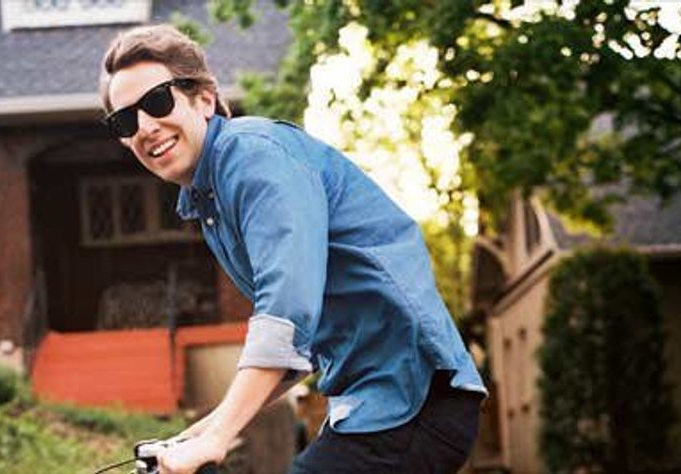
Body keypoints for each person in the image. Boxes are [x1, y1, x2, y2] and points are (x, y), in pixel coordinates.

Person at [99, 24, 487, 474]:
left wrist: (219, 437)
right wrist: (203, 432)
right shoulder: (210, 200)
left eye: (157, 101)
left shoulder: (253, 157)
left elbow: (286, 313)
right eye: (125, 120)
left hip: (411, 396)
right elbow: (295, 346)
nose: (145, 127)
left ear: (204, 99)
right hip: (377, 404)